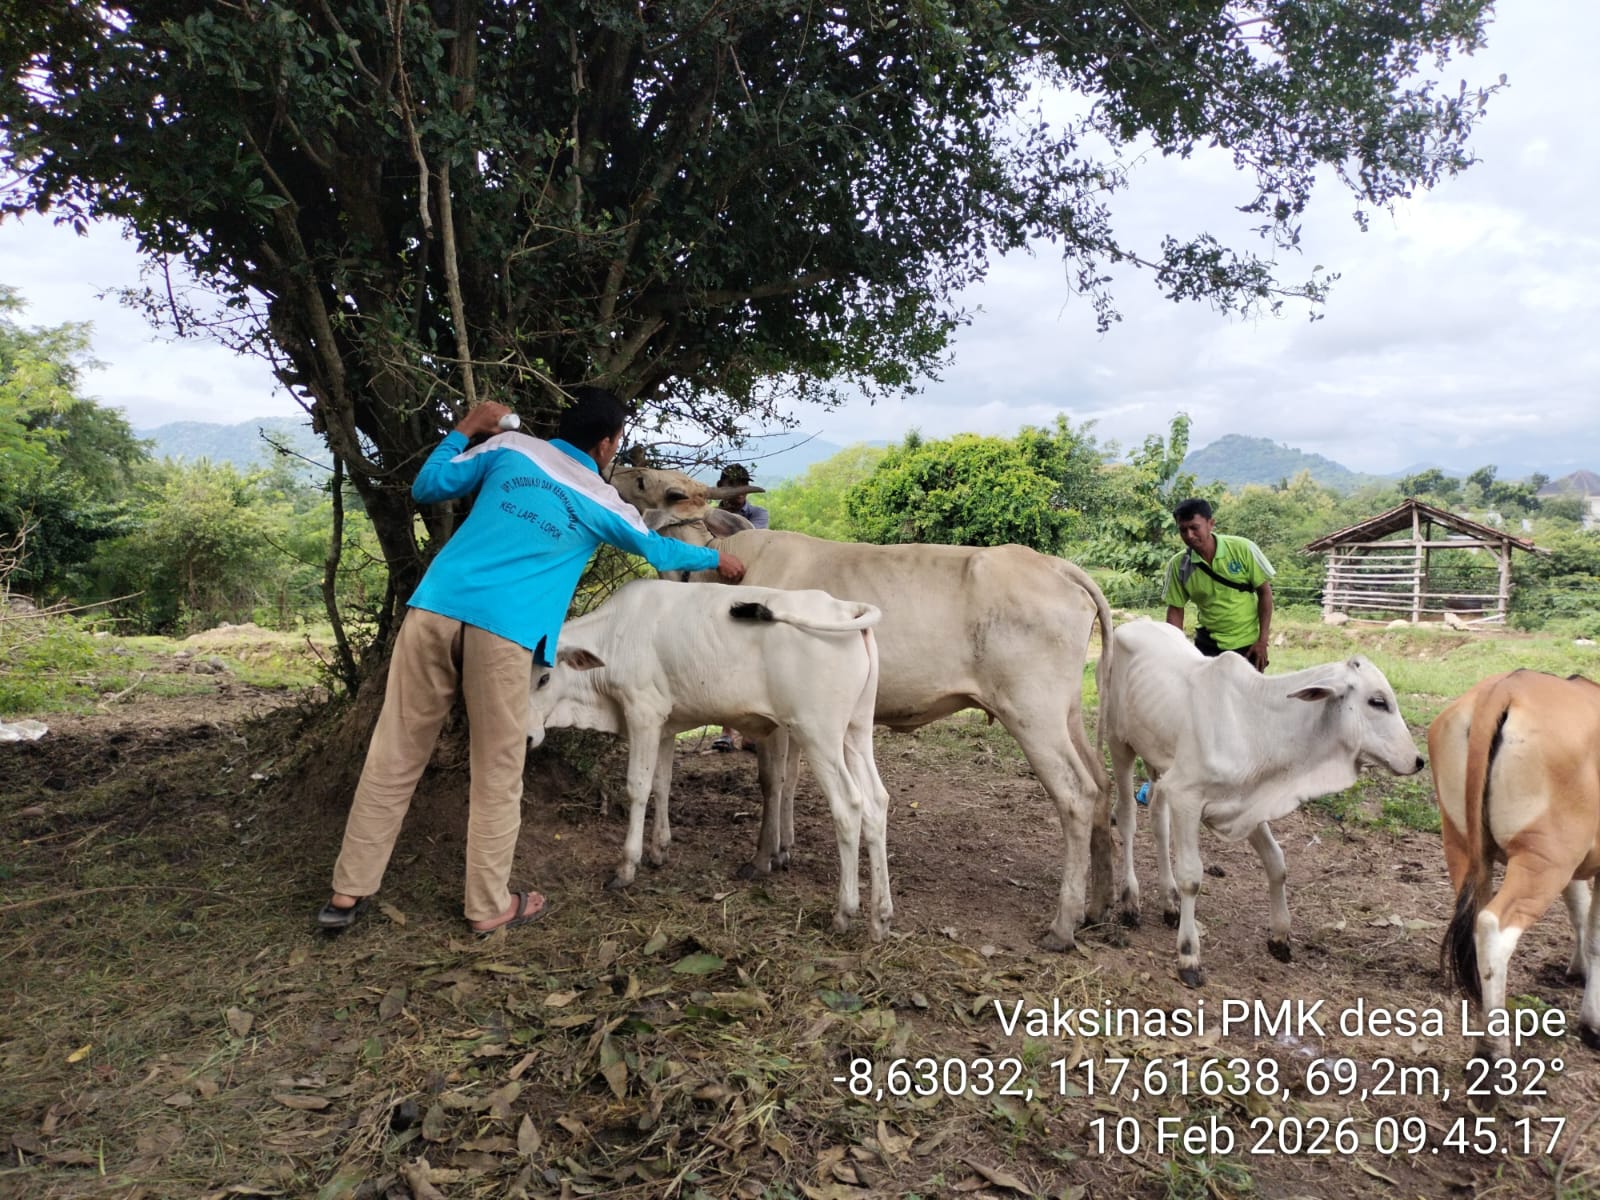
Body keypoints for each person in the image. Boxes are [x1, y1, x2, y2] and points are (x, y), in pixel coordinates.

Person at [318, 389, 746, 934]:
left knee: (395, 750)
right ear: (607, 444)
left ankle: (347, 891)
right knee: (497, 769)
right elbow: (659, 550)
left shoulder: (511, 448)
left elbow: (428, 485)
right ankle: (486, 907)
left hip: (434, 610)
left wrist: (468, 425)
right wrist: (717, 558)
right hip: (505, 634)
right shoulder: (601, 500)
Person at [1162, 498, 1274, 672]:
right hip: (1207, 646)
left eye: (1194, 528)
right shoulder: (1179, 566)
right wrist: (1176, 651)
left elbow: (1265, 593)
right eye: (1183, 530)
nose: (1189, 535)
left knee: (1246, 690)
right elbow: (1175, 609)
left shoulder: (1243, 549)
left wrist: (1262, 641)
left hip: (1247, 646)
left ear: (1211, 524)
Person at [710, 464, 768, 752]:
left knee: (749, 660)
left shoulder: (758, 515)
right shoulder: (706, 516)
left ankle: (749, 733)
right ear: (722, 486)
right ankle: (726, 732)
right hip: (716, 592)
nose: (740, 492)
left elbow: (753, 545)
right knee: (723, 658)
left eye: (744, 485)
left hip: (749, 591)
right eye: (734, 486)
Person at [716, 463, 769, 529]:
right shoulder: (709, 515)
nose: (741, 489)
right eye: (732, 483)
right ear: (720, 485)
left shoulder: (758, 513)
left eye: (744, 484)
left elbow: (751, 534)